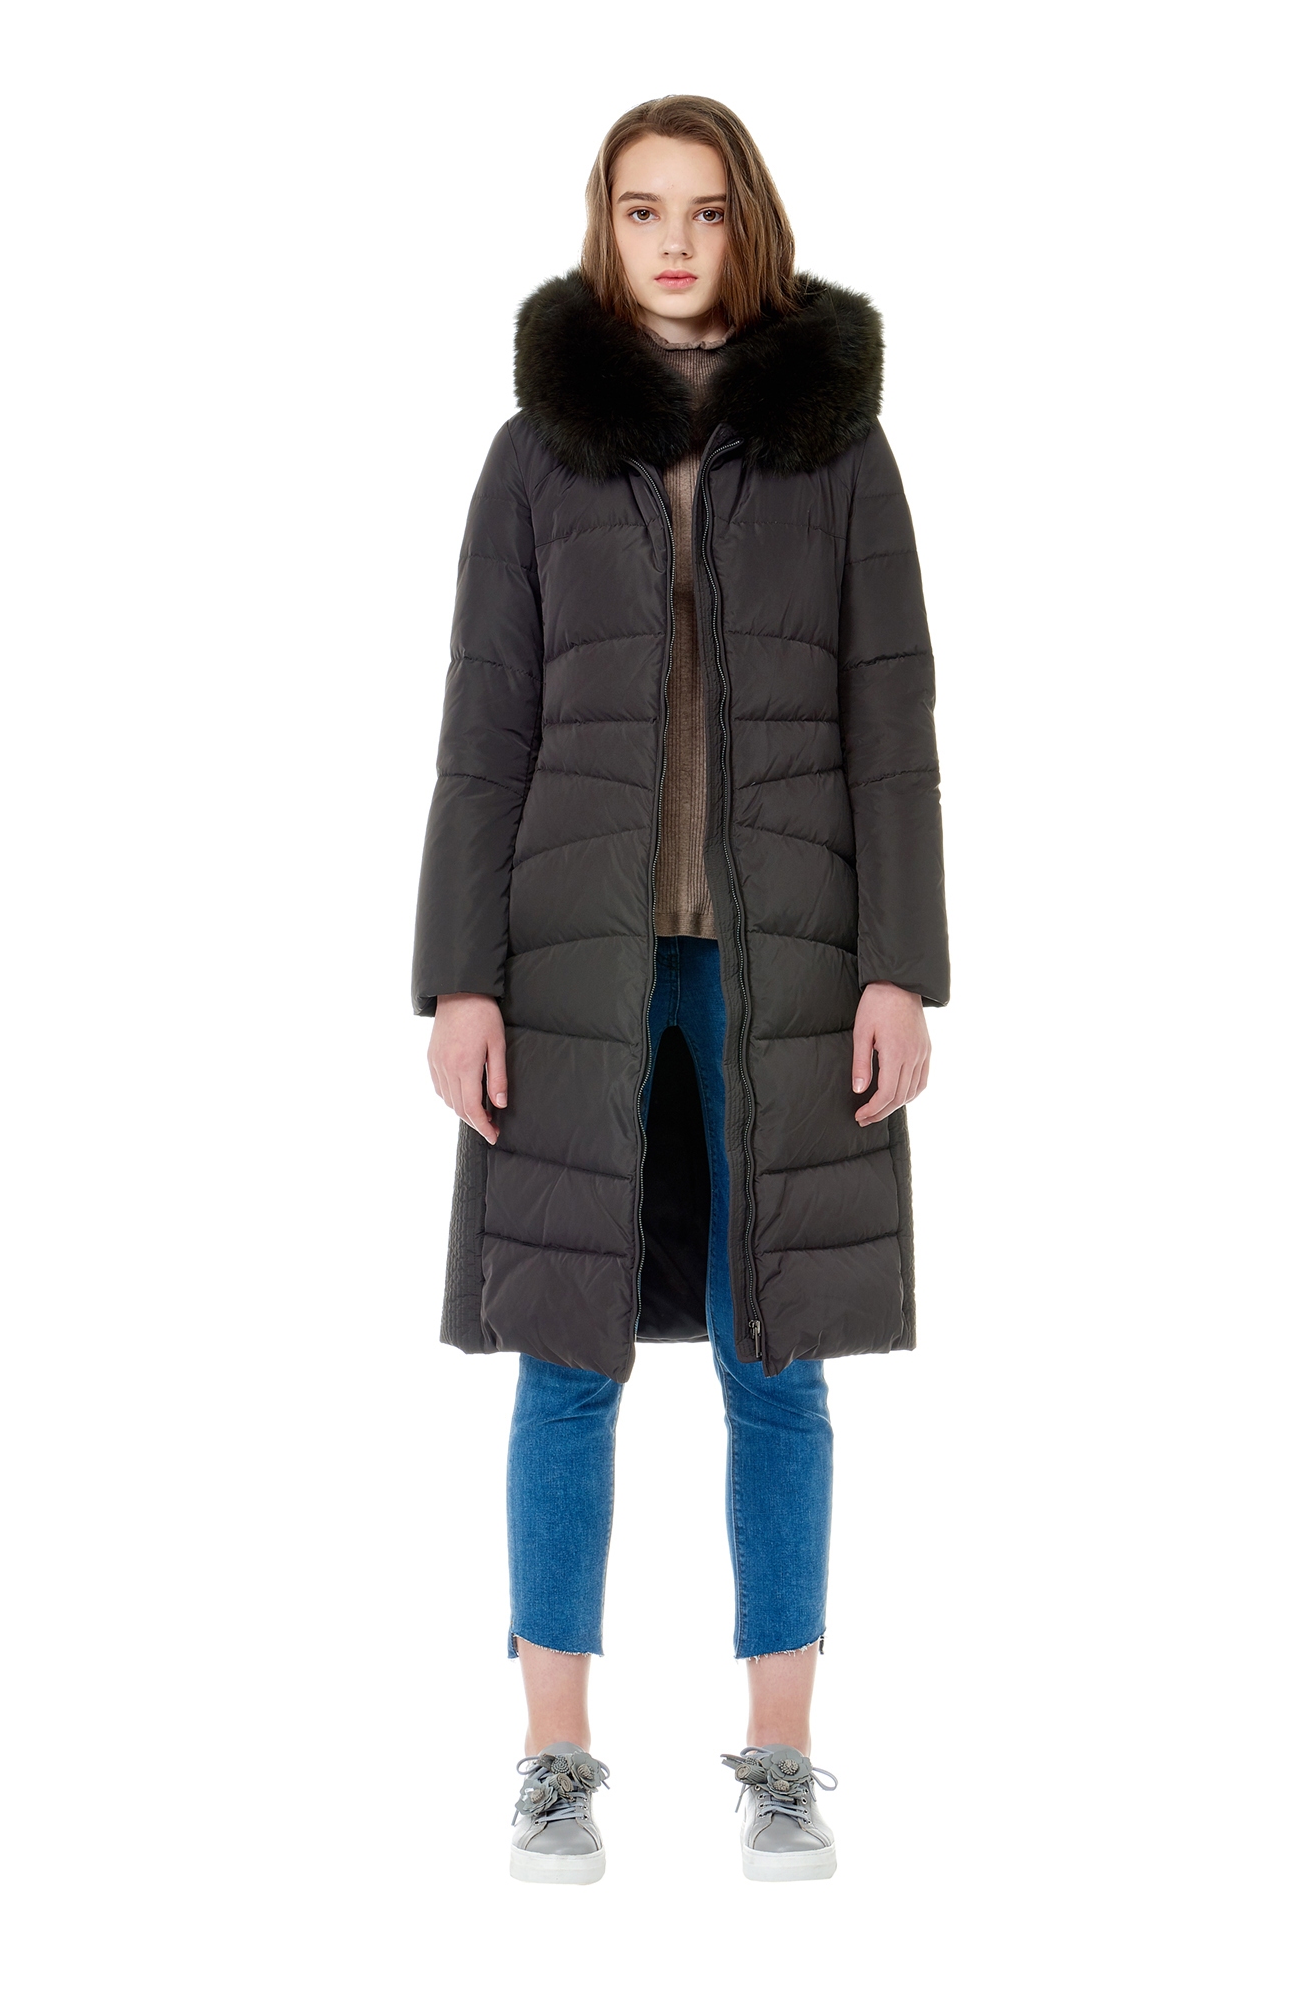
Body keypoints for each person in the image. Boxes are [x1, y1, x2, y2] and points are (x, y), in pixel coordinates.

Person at [411, 94, 949, 1885]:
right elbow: (483, 728)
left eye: (703, 211)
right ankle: (553, 1757)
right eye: (641, 210)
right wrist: (458, 980)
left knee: (771, 1353)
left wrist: (902, 968)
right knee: (562, 1357)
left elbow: (893, 722)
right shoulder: (535, 457)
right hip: (572, 964)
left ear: (749, 226)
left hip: (785, 964)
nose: (671, 243)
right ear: (605, 225)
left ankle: (780, 1758)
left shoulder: (840, 452)